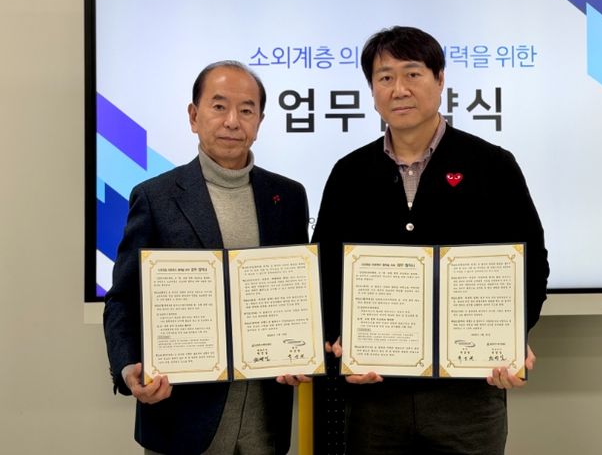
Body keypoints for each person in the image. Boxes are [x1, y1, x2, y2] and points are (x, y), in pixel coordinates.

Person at [312, 26, 550, 455]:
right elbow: (324, 268)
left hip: (469, 395)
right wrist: (339, 341)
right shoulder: (349, 173)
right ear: (372, 90)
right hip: (375, 395)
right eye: (385, 77)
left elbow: (532, 262)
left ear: (440, 80)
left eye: (413, 74)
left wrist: (513, 337)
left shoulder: (492, 165)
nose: (399, 89)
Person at [103, 60, 310, 455]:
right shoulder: (155, 197)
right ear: (194, 116)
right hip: (180, 418)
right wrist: (129, 368)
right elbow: (123, 299)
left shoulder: (288, 196)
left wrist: (304, 350)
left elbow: (299, 297)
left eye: (246, 110)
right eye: (219, 106)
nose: (233, 121)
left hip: (265, 420)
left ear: (259, 122)